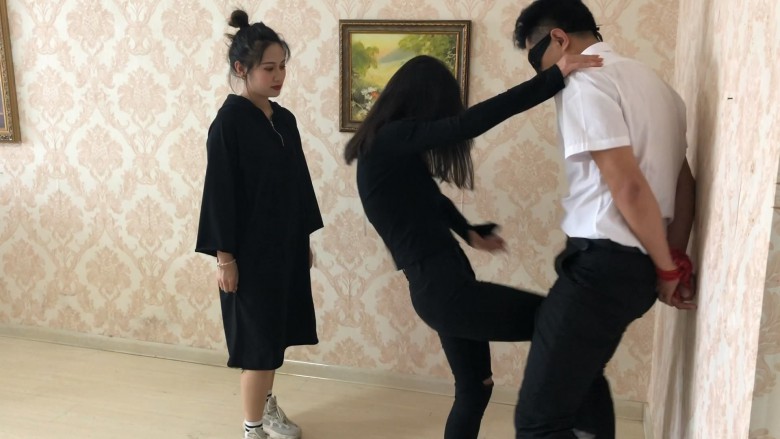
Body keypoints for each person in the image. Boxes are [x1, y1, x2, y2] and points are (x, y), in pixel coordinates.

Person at [344, 53, 601, 439]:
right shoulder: (389, 140)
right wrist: (553, 78)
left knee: (475, 389)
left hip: (443, 288)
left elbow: (432, 199)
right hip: (446, 292)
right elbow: (469, 124)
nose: (443, 118)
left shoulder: (389, 151)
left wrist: (469, 232)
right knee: (559, 321)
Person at [511, 1, 697, 437]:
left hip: (602, 268)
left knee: (539, 420)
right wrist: (669, 256)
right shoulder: (656, 84)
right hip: (633, 271)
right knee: (582, 388)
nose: (543, 76)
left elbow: (628, 186)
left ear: (558, 39)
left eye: (538, 62)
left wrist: (668, 268)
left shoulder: (585, 82)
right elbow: (684, 182)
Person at [195, 10, 323, 439]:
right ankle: (252, 431)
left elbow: (298, 184)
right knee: (256, 347)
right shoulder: (228, 124)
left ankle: (267, 409)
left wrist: (303, 238)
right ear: (241, 69)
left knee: (274, 340)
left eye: (282, 66)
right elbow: (219, 194)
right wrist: (225, 259)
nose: (279, 76)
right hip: (248, 257)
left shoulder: (283, 120)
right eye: (269, 68)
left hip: (283, 249)